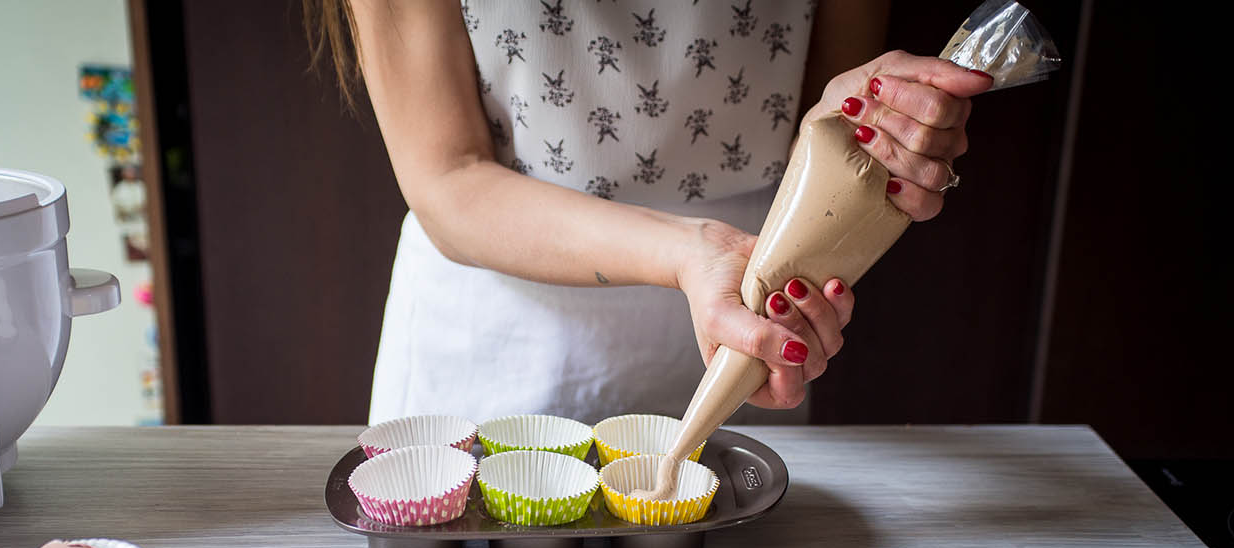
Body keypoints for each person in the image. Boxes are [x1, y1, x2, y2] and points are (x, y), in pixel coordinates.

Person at [303, 1, 992, 424]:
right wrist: (692, 255)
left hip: (749, 308)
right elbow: (448, 178)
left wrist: (863, 132)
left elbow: (825, 113)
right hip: (496, 351)